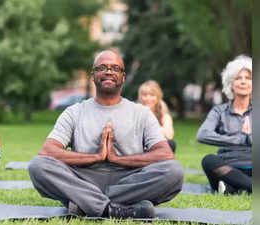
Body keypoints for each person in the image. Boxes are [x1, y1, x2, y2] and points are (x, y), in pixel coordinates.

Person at [28, 50, 183, 219]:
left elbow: (165, 154)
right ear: (93, 75)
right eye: (102, 67)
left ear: (123, 77)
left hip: (130, 180)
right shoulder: (74, 112)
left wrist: (117, 159)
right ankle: (113, 209)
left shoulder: (142, 113)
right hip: (83, 179)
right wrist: (96, 157)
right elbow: (48, 151)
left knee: (174, 172)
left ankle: (85, 204)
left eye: (115, 68)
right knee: (38, 165)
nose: (109, 71)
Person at [196, 55, 252, 194]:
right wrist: (240, 139)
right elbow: (202, 135)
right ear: (231, 84)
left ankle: (233, 187)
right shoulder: (219, 111)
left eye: (248, 78)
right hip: (228, 167)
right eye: (238, 78)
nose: (243, 82)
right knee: (208, 160)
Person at [138, 80, 176, 152]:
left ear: (158, 97)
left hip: (156, 146)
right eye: (145, 95)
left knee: (171, 144)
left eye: (152, 95)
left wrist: (149, 123)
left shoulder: (164, 115)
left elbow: (169, 135)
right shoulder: (135, 111)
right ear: (140, 97)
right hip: (139, 147)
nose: (148, 98)